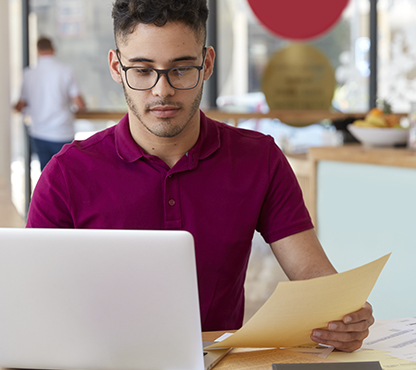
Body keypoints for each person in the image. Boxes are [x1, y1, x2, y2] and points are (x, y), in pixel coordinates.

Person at [26, 0, 374, 352]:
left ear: (206, 63)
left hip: (215, 362)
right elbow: (30, 304)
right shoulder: (67, 174)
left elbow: (313, 275)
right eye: (143, 70)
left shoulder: (259, 158)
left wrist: (342, 316)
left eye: (180, 69)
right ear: (117, 67)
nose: (162, 91)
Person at [14, 37, 86, 171]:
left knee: (46, 175)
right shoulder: (65, 70)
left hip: (38, 132)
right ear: (53, 49)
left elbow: (20, 104)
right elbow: (80, 104)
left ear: (37, 51)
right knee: (66, 174)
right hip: (62, 131)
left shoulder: (28, 74)